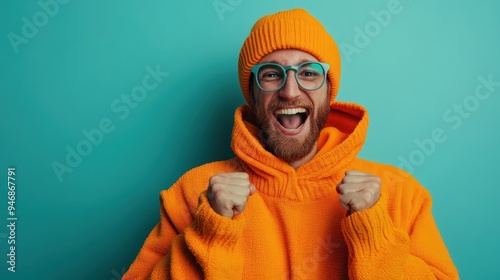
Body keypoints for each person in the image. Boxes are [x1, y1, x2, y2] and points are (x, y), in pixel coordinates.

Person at [123, 8, 459, 279]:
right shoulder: (194, 193)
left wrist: (375, 235)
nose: (290, 91)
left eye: (309, 73)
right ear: (252, 93)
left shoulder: (400, 196)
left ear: (330, 91)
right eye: (271, 74)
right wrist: (210, 233)